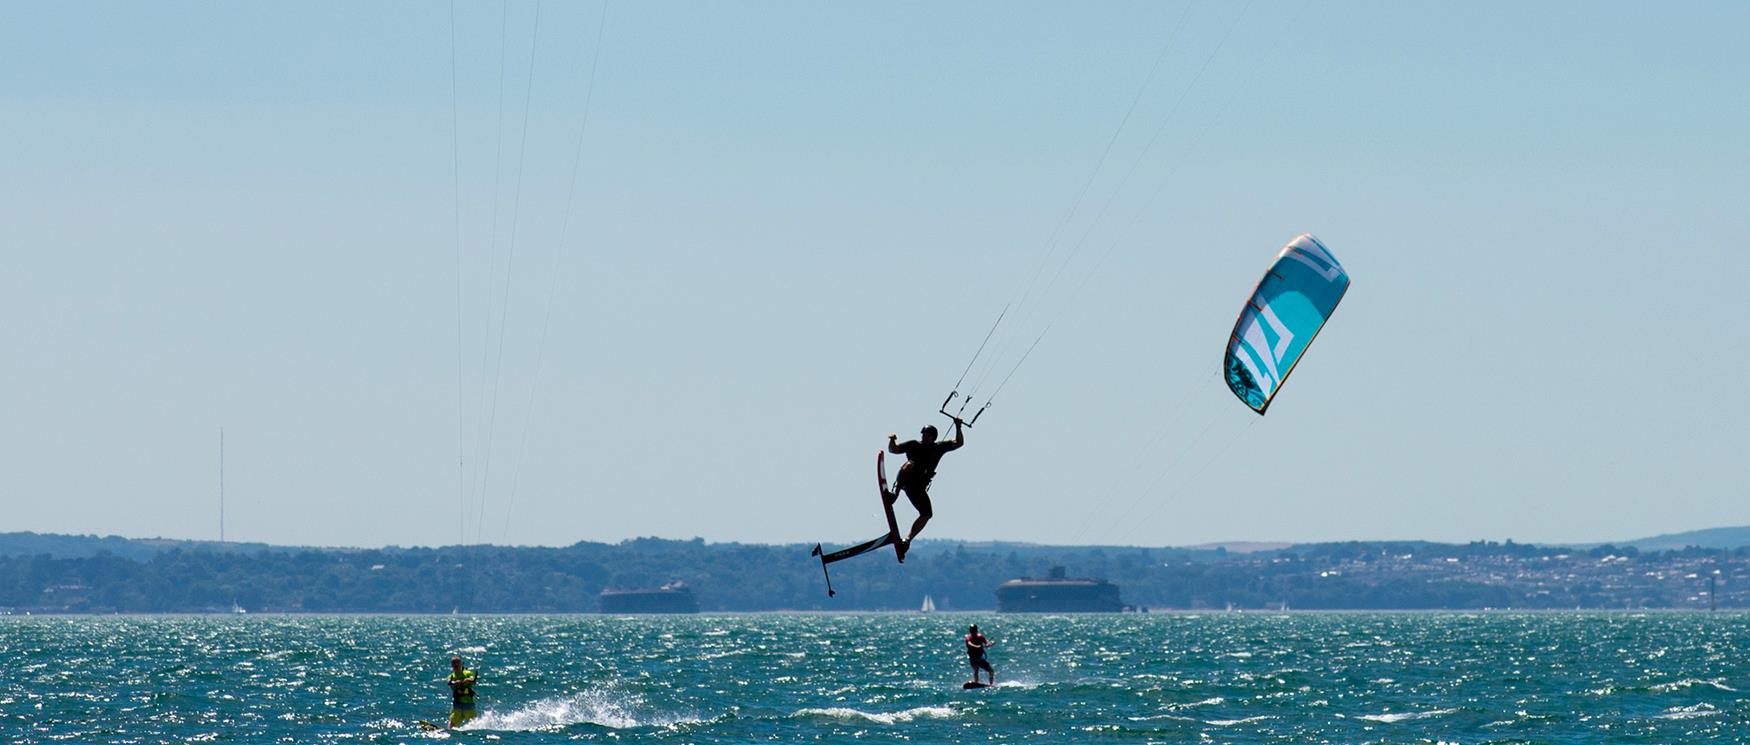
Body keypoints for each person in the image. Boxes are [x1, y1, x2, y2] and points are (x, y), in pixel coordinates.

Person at [886, 418, 964, 560]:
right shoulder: (913, 445)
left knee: (927, 514)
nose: (925, 437)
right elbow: (894, 449)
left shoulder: (939, 447)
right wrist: (892, 440)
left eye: (928, 435)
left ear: (934, 437)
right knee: (909, 464)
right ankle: (894, 495)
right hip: (906, 481)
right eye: (923, 434)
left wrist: (958, 426)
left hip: (918, 487)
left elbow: (958, 443)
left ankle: (907, 541)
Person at [447, 656, 478, 729]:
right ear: (452, 665)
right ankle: (449, 731)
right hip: (457, 704)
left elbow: (472, 679)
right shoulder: (451, 676)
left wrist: (467, 680)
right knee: (452, 721)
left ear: (461, 664)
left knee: (473, 722)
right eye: (454, 663)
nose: (456, 665)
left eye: (457, 662)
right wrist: (455, 682)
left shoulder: (467, 673)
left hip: (468, 704)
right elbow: (449, 682)